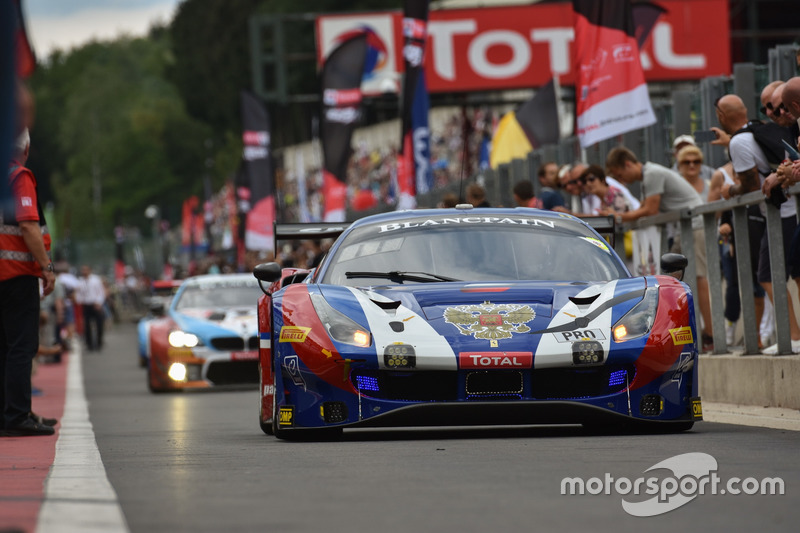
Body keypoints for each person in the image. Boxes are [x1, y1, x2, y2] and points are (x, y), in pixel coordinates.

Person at [605, 145, 714, 351]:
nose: (623, 181)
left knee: (699, 278)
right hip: (685, 228)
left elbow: (650, 209)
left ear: (627, 164)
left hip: (695, 226)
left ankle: (711, 334)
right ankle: (687, 330)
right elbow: (646, 209)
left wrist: (616, 216)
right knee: (675, 279)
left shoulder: (652, 173)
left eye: (621, 174)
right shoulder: (649, 176)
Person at [717, 94, 800, 353]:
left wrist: (730, 191)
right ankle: (793, 336)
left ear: (721, 116)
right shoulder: (758, 129)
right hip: (787, 209)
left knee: (768, 276)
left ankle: (793, 337)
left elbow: (751, 184)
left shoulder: (739, 142)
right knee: (786, 275)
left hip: (781, 212)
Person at [0, 128, 57, 436]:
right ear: (25, 149)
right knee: (22, 347)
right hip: (16, 275)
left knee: (4, 349)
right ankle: (18, 416)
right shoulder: (18, 177)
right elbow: (28, 227)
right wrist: (47, 267)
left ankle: (8, 414)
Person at [76, 264, 106, 352]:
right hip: (86, 305)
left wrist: (99, 302)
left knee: (99, 324)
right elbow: (79, 294)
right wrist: (79, 301)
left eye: (86, 270)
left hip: (95, 304)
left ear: (90, 270)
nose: (84, 272)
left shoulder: (96, 280)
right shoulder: (80, 281)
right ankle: (89, 344)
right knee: (87, 325)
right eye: (83, 270)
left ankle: (99, 343)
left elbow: (101, 292)